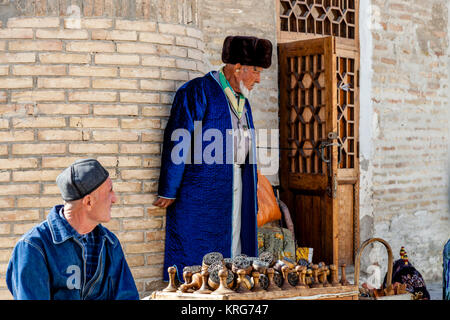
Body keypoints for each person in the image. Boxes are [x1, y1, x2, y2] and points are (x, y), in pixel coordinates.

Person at [153, 35, 273, 281]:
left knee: (238, 238)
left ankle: (232, 286)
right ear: (237, 68)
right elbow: (179, 138)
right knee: (200, 244)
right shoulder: (198, 91)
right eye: (256, 71)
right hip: (203, 188)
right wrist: (168, 188)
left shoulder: (243, 100)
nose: (259, 79)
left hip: (239, 184)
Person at [6, 158, 139, 300]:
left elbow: (128, 296)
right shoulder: (33, 247)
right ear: (88, 202)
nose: (115, 199)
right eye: (109, 191)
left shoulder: (110, 243)